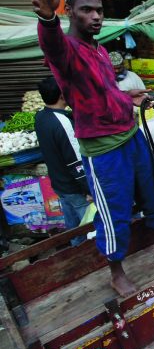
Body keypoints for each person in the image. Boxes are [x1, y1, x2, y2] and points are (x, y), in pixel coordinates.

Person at [33, 0, 154, 296]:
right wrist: (47, 20)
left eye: (99, 10)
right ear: (70, 13)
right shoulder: (67, 51)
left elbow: (104, 93)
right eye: (86, 10)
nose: (96, 16)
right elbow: (52, 44)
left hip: (131, 135)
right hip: (104, 150)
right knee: (114, 211)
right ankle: (116, 271)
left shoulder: (101, 51)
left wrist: (129, 97)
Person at [34, 77, 90, 245]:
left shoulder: (41, 117)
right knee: (90, 231)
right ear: (62, 96)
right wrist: (88, 189)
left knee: (74, 233)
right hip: (75, 189)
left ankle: (75, 259)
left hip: (60, 185)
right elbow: (76, 160)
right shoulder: (63, 123)